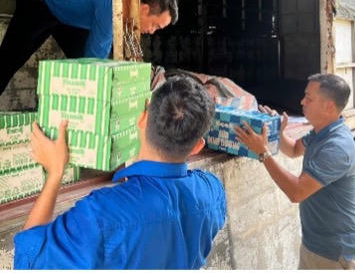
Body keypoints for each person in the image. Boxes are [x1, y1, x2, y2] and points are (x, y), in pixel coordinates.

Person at [13, 76, 226, 269]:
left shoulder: (102, 212)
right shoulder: (212, 192)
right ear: (198, 146)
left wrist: (55, 173)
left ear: (142, 118)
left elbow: (30, 260)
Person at [235, 73, 355, 269]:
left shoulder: (337, 147)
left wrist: (263, 153)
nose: (302, 101)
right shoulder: (321, 132)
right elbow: (294, 149)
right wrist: (278, 131)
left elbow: (296, 192)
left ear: (329, 106)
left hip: (335, 254)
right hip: (314, 246)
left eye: (309, 98)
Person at [0, 0, 178, 103]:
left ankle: (79, 116)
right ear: (145, 9)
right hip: (39, 0)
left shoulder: (123, 5)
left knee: (83, 62)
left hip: (64, 16)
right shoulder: (115, 2)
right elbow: (96, 55)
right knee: (9, 60)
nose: (152, 31)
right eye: (155, 25)